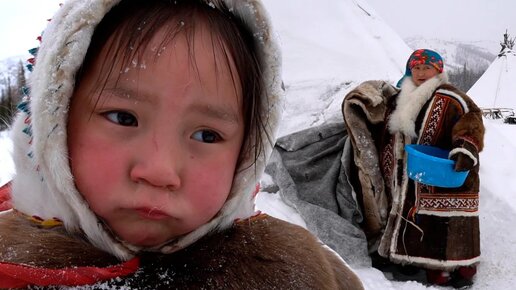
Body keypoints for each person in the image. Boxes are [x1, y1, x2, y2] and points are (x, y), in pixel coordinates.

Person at [0, 0, 365, 288]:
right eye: (124, 118)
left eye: (207, 135)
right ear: (54, 123)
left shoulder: (300, 277)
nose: (161, 171)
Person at [342, 49, 484, 288]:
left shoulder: (451, 97)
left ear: (438, 70)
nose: (421, 73)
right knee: (420, 221)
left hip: (448, 169)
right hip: (413, 175)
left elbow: (471, 120)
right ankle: (430, 268)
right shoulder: (401, 98)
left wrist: (464, 148)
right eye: (416, 68)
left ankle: (464, 268)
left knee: (452, 223)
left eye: (426, 68)